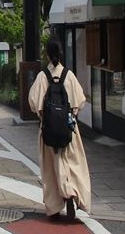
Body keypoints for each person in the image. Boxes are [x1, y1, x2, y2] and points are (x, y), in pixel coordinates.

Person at [28, 38, 91, 221]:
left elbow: (34, 103)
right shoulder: (69, 76)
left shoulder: (42, 77)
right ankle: (72, 193)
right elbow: (80, 101)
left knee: (50, 169)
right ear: (61, 53)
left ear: (47, 54)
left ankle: (54, 207)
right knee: (72, 164)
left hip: (48, 131)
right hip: (69, 129)